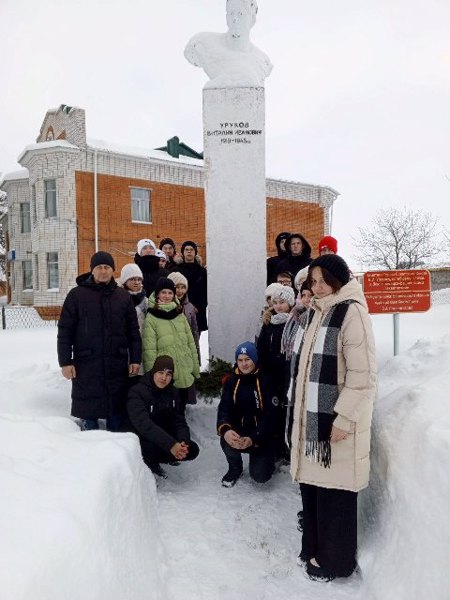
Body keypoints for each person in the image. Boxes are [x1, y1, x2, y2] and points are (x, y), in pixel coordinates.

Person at [289, 254, 377, 581]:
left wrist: (342, 419)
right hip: (315, 425)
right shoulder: (318, 312)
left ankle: (336, 562)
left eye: (324, 279)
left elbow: (362, 376)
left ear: (339, 279)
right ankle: (312, 547)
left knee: (335, 495)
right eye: (313, 281)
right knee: (314, 489)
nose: (319, 286)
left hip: (337, 426)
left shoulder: (351, 312)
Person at [57, 251, 141, 431]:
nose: (103, 271)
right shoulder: (77, 296)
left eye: (107, 267)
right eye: (99, 267)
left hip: (116, 364)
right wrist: (65, 362)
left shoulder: (123, 296)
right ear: (92, 270)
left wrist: (135, 358)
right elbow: (65, 331)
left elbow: (133, 331)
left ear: (113, 271)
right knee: (90, 417)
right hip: (87, 365)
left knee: (116, 416)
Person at [127, 355, 200, 478]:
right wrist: (171, 445)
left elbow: (179, 420)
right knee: (150, 448)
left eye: (168, 374)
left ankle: (168, 457)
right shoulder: (137, 392)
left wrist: (183, 442)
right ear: (153, 372)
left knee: (192, 450)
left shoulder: (173, 392)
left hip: (163, 438)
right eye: (160, 372)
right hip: (143, 438)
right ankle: (150, 464)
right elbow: (144, 425)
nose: (164, 378)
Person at [217, 341, 275, 487]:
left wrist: (253, 438)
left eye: (247, 359)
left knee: (260, 477)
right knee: (226, 439)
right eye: (240, 360)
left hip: (259, 435)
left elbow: (270, 416)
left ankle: (270, 460)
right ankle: (235, 467)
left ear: (254, 359)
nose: (244, 364)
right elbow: (224, 409)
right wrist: (226, 430)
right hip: (240, 430)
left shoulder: (265, 381)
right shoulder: (231, 381)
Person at [142, 277, 200, 414]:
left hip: (184, 369)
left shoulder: (179, 314)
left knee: (182, 407)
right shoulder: (151, 317)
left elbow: (190, 342)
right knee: (168, 409)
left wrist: (194, 367)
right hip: (166, 373)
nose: (167, 296)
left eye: (170, 293)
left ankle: (182, 432)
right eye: (163, 292)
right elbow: (149, 349)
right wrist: (152, 376)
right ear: (157, 294)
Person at [184, 0, 273, 89]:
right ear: (226, 17)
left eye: (240, 14)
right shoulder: (203, 44)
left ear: (252, 19)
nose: (235, 19)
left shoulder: (262, 61)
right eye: (231, 13)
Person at [257, 285, 295, 459]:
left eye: (282, 302)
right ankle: (275, 445)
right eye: (276, 302)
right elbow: (261, 349)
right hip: (271, 376)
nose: (279, 306)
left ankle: (287, 446)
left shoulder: (294, 322)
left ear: (290, 303)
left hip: (287, 374)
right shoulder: (268, 323)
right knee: (273, 411)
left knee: (287, 412)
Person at [172, 241, 208, 333]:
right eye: (186, 250)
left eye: (191, 249)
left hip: (198, 310)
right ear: (183, 252)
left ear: (195, 252)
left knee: (195, 339)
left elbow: (206, 292)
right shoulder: (176, 270)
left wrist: (200, 307)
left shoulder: (202, 271)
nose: (189, 252)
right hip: (180, 309)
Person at [119, 263, 148, 333]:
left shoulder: (145, 301)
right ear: (125, 281)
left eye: (139, 279)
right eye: (132, 279)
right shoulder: (117, 299)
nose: (137, 282)